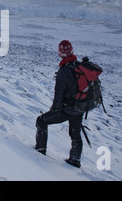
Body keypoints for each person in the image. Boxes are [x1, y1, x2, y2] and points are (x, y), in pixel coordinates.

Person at [35, 40, 84, 168]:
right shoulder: (79, 67)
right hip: (80, 107)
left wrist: (54, 111)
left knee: (41, 121)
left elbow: (59, 94)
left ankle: (40, 150)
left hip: (67, 108)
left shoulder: (63, 72)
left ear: (61, 53)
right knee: (75, 133)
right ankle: (75, 159)